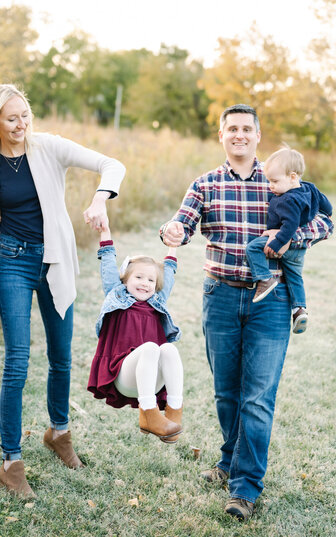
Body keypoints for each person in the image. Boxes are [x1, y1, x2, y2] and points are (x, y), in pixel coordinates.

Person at [0, 84, 126, 498]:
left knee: (61, 356)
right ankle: (11, 462)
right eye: (12, 119)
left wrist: (100, 199)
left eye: (25, 115)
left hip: (55, 261)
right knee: (17, 361)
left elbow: (111, 164)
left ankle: (59, 433)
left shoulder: (49, 147)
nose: (21, 125)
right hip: (11, 260)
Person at [160, 104, 333, 520]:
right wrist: (174, 231)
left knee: (258, 397)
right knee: (226, 392)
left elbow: (326, 220)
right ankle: (228, 461)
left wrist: (295, 238)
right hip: (219, 295)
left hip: (270, 300)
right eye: (231, 128)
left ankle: (245, 486)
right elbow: (182, 224)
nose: (239, 134)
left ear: (257, 135)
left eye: (246, 129)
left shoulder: (281, 180)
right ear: (222, 136)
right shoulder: (205, 184)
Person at [87, 225, 184, 443]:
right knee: (150, 347)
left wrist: (173, 248)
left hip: (152, 380)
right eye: (139, 277)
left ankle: (173, 411)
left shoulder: (157, 302)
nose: (145, 283)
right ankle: (148, 412)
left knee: (168, 349)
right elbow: (109, 264)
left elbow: (168, 273)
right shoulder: (117, 295)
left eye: (151, 280)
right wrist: (105, 233)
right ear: (125, 280)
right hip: (122, 374)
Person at [246, 146, 333, 333]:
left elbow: (290, 225)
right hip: (299, 250)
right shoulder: (309, 187)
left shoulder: (287, 200)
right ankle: (299, 310)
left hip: (283, 239)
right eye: (269, 181)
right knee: (294, 277)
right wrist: (328, 213)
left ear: (293, 177)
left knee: (253, 248)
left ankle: (264, 279)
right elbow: (326, 204)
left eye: (275, 181)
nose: (271, 186)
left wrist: (277, 243)